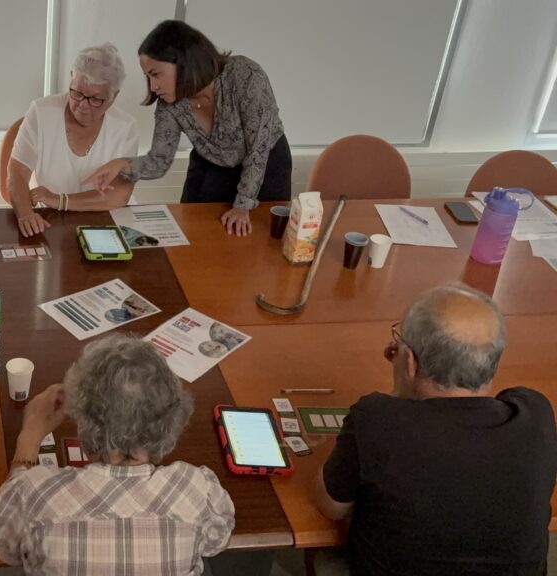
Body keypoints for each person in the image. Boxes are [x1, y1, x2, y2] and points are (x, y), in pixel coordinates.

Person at [314, 283, 557, 575]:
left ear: (409, 362)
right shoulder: (536, 415)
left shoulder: (378, 421)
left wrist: (401, 388)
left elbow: (331, 506)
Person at [0, 333, 235, 575]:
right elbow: (216, 540)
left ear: (84, 421)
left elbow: (6, 549)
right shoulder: (197, 490)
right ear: (172, 418)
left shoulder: (35, 495)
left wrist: (31, 432)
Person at [86, 20, 291, 237]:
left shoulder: (246, 75)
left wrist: (243, 206)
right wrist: (121, 165)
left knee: (260, 241)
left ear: (183, 62)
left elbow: (258, 150)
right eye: (148, 77)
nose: (153, 86)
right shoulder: (169, 104)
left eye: (156, 74)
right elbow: (159, 162)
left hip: (265, 164)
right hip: (211, 165)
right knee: (194, 235)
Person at [9, 43, 139, 238]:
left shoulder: (125, 127)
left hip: (107, 222)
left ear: (114, 97)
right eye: (77, 93)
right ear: (72, 78)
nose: (83, 106)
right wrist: (26, 214)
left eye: (96, 99)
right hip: (52, 221)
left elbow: (118, 196)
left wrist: (59, 200)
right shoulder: (41, 111)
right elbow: (17, 172)